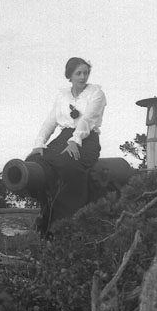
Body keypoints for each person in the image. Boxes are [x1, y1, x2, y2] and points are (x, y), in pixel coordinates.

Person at [26, 57, 106, 238]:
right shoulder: (63, 96)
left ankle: (68, 223)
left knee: (67, 164)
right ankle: (46, 217)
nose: (83, 77)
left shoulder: (96, 94)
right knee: (35, 161)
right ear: (69, 75)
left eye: (86, 73)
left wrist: (75, 141)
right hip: (63, 138)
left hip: (87, 138)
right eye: (78, 73)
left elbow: (88, 119)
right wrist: (39, 144)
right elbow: (50, 121)